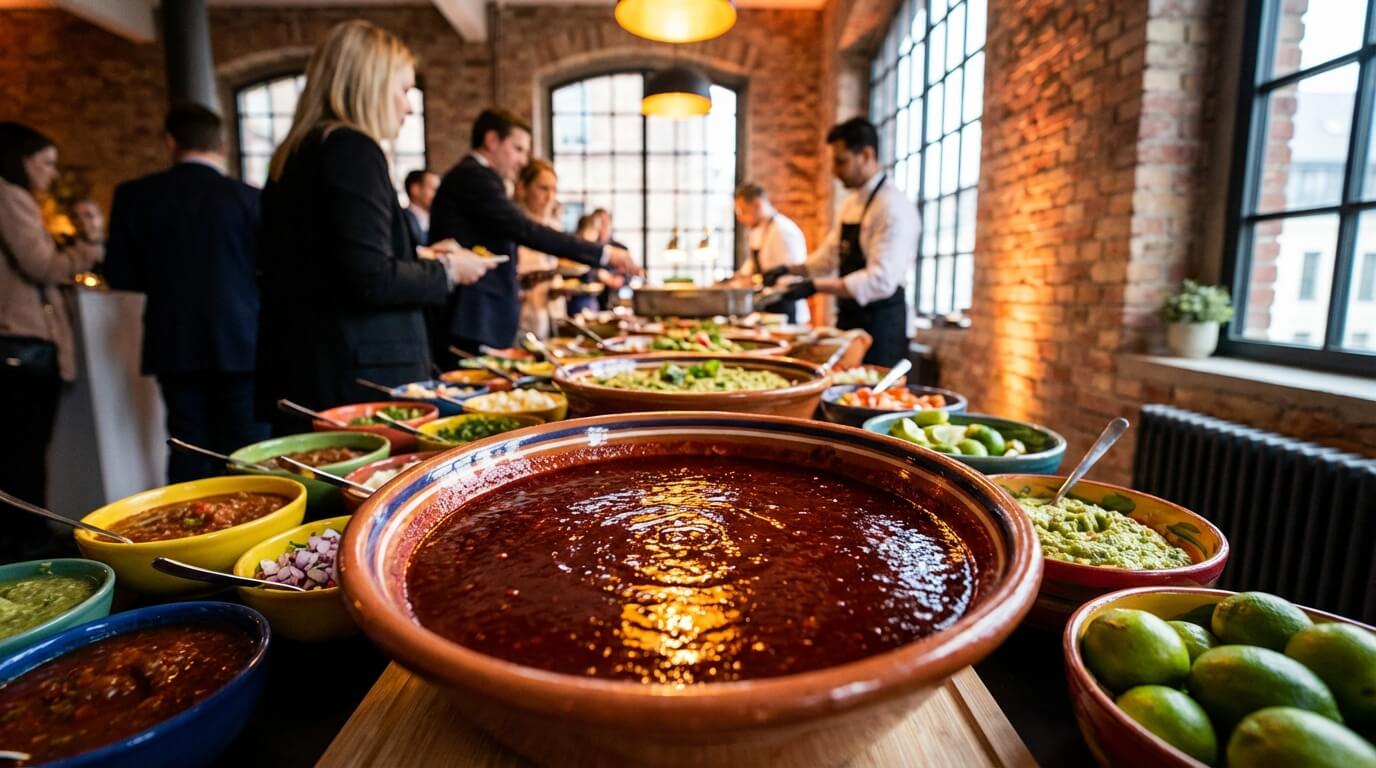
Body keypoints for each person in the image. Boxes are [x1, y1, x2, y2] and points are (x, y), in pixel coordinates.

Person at [256, 20, 490, 433]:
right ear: (370, 85)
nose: (409, 106)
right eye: (403, 90)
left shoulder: (299, 151)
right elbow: (368, 279)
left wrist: (422, 256)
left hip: (309, 365)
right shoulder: (352, 148)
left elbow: (328, 263)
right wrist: (449, 271)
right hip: (356, 379)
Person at [103, 104, 270, 483]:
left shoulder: (134, 196)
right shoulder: (248, 198)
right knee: (248, 452)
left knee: (188, 447)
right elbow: (271, 270)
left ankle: (185, 538)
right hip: (241, 338)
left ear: (170, 142)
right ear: (223, 145)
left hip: (173, 340)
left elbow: (120, 274)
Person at [429, 108, 640, 354]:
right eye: (517, 149)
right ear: (492, 140)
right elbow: (525, 230)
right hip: (473, 317)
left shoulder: (475, 176)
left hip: (481, 316)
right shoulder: (474, 177)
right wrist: (604, 254)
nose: (522, 160)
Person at [0, 122, 102, 558]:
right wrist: (90, 248)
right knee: (23, 452)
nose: (52, 174)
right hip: (22, 343)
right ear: (21, 160)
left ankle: (25, 538)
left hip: (18, 344)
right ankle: (30, 546)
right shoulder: (10, 195)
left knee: (20, 450)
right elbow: (40, 264)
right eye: (46, 163)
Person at [771, 117, 917, 366]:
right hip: (850, 318)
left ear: (866, 155)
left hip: (882, 324)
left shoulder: (893, 207)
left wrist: (816, 286)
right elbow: (829, 256)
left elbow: (879, 280)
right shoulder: (851, 203)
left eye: (841, 161)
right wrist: (789, 270)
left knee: (874, 398)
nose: (835, 171)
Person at [724, 181, 809, 324]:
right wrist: (732, 281)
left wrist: (757, 282)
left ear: (757, 204)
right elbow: (750, 268)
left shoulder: (783, 231)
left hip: (787, 311)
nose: (739, 218)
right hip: (768, 311)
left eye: (742, 211)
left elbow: (791, 279)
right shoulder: (757, 232)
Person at [513, 159, 561, 340]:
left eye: (553, 190)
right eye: (543, 188)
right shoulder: (515, 226)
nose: (550, 197)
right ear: (523, 188)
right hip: (522, 320)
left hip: (550, 317)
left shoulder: (554, 228)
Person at [402, 169, 437, 246]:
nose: (438, 195)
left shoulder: (436, 218)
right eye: (433, 189)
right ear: (415, 190)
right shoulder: (403, 220)